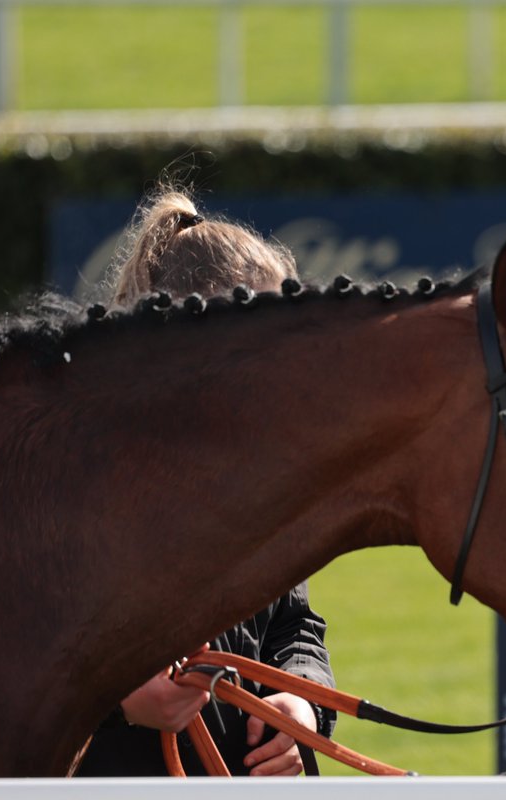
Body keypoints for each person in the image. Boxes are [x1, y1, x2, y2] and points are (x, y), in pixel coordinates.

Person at [76, 189, 335, 778]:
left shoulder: (269, 471)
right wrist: (119, 697)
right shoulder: (83, 470)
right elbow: (18, 639)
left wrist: (303, 705)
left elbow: (297, 626)